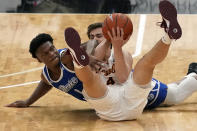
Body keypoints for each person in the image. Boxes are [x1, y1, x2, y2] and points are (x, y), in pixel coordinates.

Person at [6, 1, 197, 115]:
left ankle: (193, 76)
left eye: (52, 48)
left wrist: (87, 56)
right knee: (160, 77)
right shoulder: (48, 74)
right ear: (39, 59)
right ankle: (191, 71)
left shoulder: (66, 56)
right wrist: (28, 102)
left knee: (176, 95)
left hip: (123, 89)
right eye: (46, 53)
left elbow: (87, 46)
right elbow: (46, 82)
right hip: (109, 95)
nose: (52, 53)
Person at [63, 0, 197, 121]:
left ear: (106, 35)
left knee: (146, 64)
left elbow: (122, 78)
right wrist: (106, 40)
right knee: (90, 79)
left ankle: (169, 35)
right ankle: (78, 62)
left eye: (99, 35)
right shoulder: (90, 55)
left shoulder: (123, 53)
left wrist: (115, 45)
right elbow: (95, 59)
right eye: (91, 37)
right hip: (107, 102)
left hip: (131, 98)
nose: (94, 39)